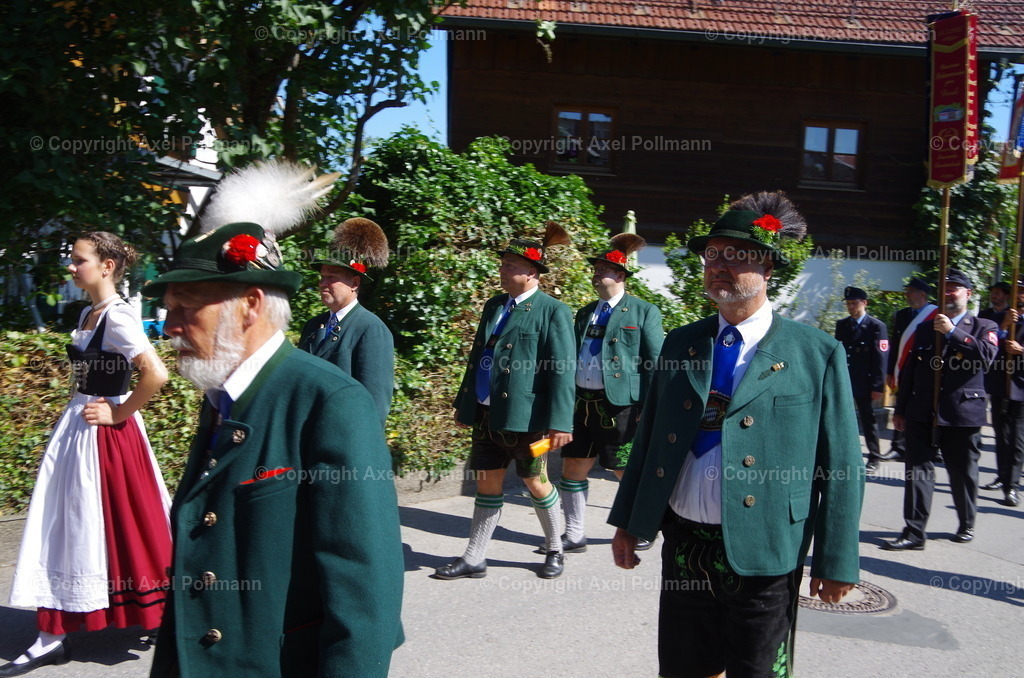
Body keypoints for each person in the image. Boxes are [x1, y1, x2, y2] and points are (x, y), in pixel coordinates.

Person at [143, 162, 404, 677]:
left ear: (250, 304)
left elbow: (365, 595)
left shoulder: (330, 401)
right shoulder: (221, 396)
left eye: (186, 306)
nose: (169, 325)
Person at [608, 192, 864, 678]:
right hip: (685, 547)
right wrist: (629, 520)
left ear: (768, 268)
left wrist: (837, 560)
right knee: (685, 669)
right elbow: (649, 440)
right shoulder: (683, 342)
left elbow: (843, 467)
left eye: (737, 256)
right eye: (713, 255)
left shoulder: (817, 353)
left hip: (766, 551)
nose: (719, 266)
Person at [5, 232, 172, 677]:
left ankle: (55, 631)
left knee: (88, 523)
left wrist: (119, 413)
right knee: (87, 523)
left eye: (79, 261)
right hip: (79, 431)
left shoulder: (118, 317)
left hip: (105, 437)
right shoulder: (87, 312)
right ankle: (58, 626)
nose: (71, 268)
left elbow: (156, 374)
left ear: (107, 266)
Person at [436, 222, 576, 580]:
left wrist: (561, 423)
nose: (502, 270)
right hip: (486, 412)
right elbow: (476, 356)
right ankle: (474, 556)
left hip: (527, 419)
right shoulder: (494, 305)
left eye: (510, 266)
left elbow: (562, 369)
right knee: (486, 481)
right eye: (502, 265)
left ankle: (556, 549)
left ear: (532, 272)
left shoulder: (552, 311)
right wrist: (464, 403)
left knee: (535, 481)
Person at [559, 233, 663, 553]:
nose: (596, 274)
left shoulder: (643, 311)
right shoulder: (585, 312)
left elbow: (655, 362)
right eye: (595, 269)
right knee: (573, 466)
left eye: (602, 269)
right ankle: (574, 533)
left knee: (624, 469)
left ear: (620, 275)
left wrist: (650, 406)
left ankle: (641, 526)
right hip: (581, 402)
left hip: (620, 405)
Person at [884, 268, 998, 550]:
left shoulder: (984, 326)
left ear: (968, 294)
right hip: (922, 410)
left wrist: (953, 332)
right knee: (918, 472)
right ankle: (914, 531)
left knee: (962, 473)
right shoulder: (926, 328)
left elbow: (986, 357)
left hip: (961, 413)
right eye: (945, 288)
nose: (948, 292)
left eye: (955, 288)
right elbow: (911, 369)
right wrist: (900, 409)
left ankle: (966, 522)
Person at [299, 217, 395, 426]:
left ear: (354, 282)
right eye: (322, 277)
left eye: (331, 277)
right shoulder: (313, 325)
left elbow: (375, 404)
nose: (323, 283)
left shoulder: (371, 329)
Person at [834, 286, 889, 473]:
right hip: (846, 380)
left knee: (868, 420)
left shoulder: (876, 327)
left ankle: (874, 456)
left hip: (865, 381)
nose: (850, 307)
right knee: (842, 419)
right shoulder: (842, 325)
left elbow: (880, 358)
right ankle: (845, 455)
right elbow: (839, 354)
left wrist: (877, 385)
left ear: (864, 303)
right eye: (848, 303)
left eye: (854, 303)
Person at [981, 282, 1024, 507]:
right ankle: (1002, 476)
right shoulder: (995, 318)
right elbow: (984, 346)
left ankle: (1012, 486)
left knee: (1016, 439)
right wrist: (1004, 327)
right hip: (999, 384)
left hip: (1020, 386)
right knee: (1001, 436)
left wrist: (1021, 350)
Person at [885, 277, 937, 459]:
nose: (906, 295)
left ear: (922, 294)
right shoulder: (902, 315)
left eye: (910, 292)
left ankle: (933, 445)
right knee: (901, 405)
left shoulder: (937, 314)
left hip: (926, 370)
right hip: (903, 369)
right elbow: (896, 344)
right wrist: (890, 371)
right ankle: (898, 446)